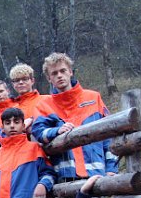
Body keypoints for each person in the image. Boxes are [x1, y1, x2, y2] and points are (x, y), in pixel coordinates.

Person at [31, 53, 119, 183]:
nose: (59, 75)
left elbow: (109, 137)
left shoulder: (93, 98)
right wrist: (56, 131)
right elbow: (38, 132)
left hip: (97, 176)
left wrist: (112, 168)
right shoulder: (43, 105)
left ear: (70, 72)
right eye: (54, 73)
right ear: (49, 78)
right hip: (65, 179)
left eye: (63, 71)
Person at [8, 63, 49, 133]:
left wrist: (32, 120)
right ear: (13, 84)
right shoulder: (12, 110)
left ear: (32, 81)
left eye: (25, 79)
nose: (21, 82)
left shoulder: (47, 100)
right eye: (17, 80)